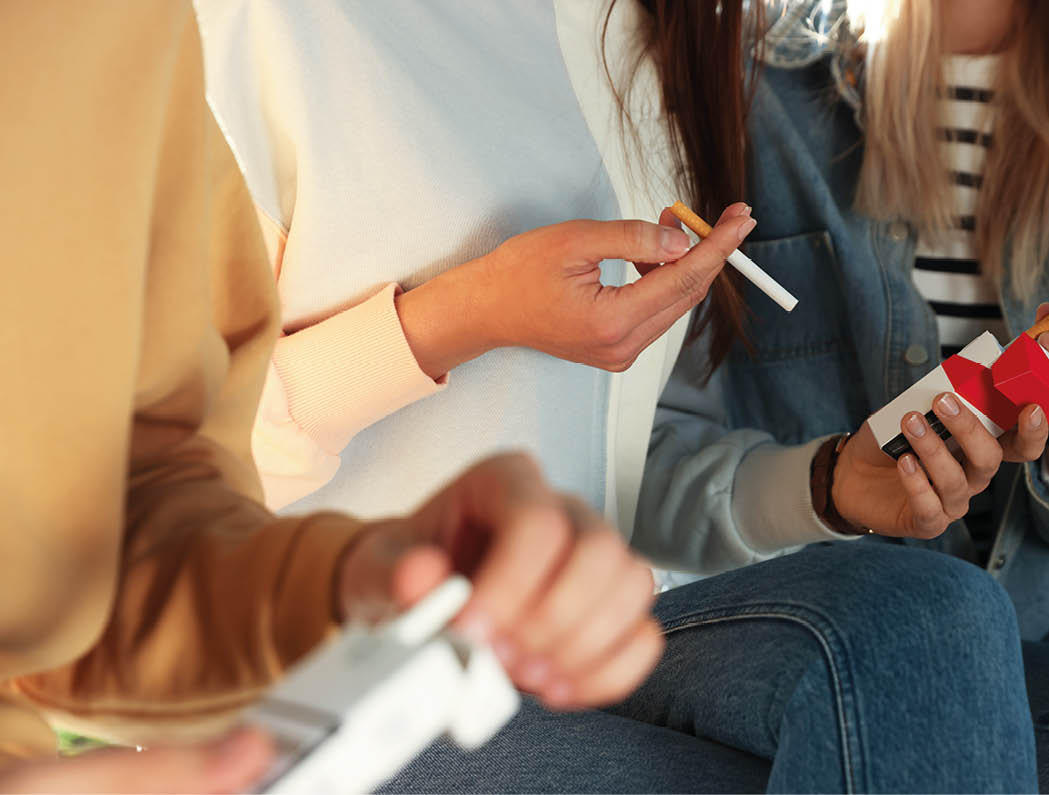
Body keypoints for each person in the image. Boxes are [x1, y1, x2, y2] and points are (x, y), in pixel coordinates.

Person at [196, 0, 1039, 790]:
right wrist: (466, 313)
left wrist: (823, 486)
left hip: (570, 652)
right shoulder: (259, 26)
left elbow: (626, 469)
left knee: (928, 624)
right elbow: (138, 476)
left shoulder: (650, 43)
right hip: (329, 677)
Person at [0, 2, 667, 790]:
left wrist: (350, 580)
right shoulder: (251, 30)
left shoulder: (115, 29)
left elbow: (120, 509)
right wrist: (460, 318)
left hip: (426, 667)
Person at [634, 0, 1049, 785]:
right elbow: (631, 466)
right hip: (779, 621)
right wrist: (825, 486)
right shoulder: (739, 76)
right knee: (931, 623)